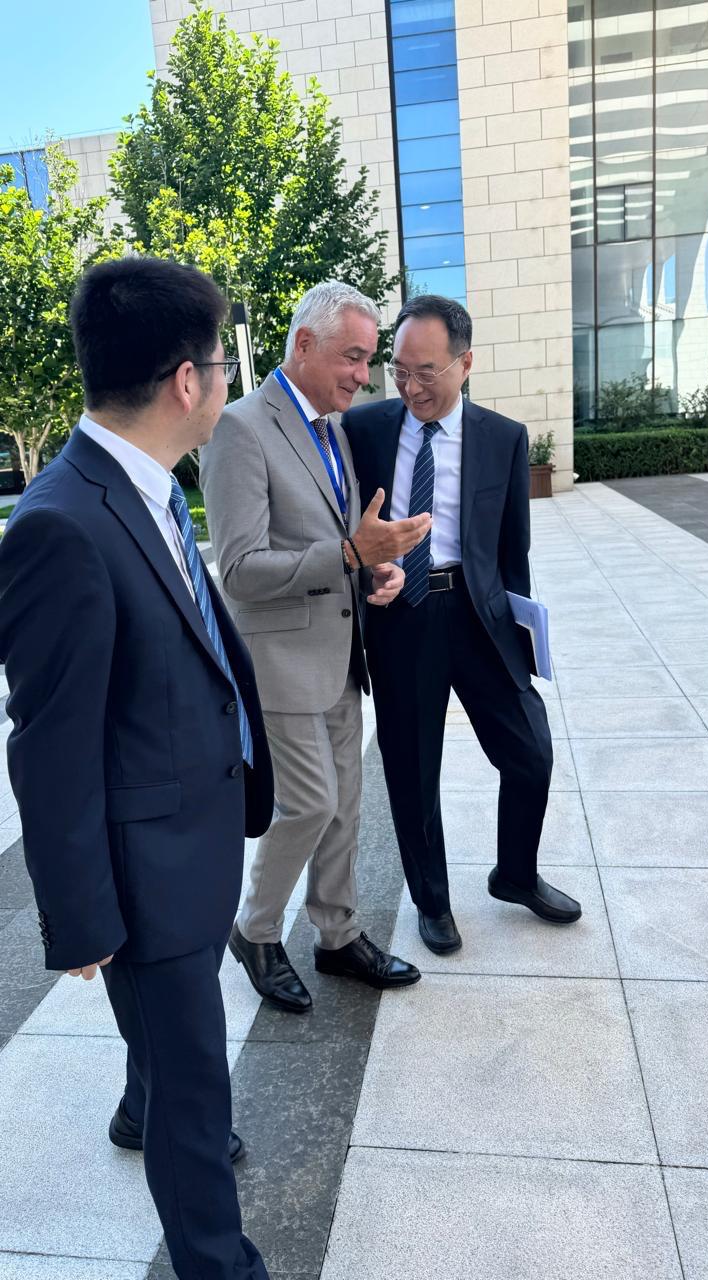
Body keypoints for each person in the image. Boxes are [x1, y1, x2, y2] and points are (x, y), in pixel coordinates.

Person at [0, 257, 274, 1280]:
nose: (227, 384)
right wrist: (81, 920)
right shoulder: (61, 522)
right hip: (148, 873)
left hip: (193, 836)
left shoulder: (148, 487)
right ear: (185, 380)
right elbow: (50, 740)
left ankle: (134, 1101)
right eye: (222, 365)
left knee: (166, 1060)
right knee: (198, 1099)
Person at [200, 281, 430, 1013]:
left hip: (341, 658)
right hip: (280, 664)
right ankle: (255, 930)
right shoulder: (240, 429)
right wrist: (350, 554)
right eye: (353, 357)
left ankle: (338, 935)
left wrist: (373, 571)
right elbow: (240, 570)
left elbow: (339, 546)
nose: (365, 375)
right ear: (304, 344)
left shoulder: (332, 429)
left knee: (345, 807)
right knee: (307, 805)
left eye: (368, 360)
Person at [342, 294, 581, 956]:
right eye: (399, 370)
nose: (410, 386)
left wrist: (519, 636)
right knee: (411, 769)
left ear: (465, 363)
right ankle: (433, 902)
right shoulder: (362, 430)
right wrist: (368, 578)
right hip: (402, 618)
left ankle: (516, 874)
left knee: (530, 752)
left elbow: (511, 551)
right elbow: (344, 530)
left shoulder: (503, 438)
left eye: (427, 371)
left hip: (478, 616)